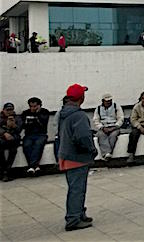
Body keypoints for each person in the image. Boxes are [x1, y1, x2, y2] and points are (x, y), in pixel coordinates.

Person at [58, 84, 96, 231]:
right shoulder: (79, 115)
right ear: (81, 97)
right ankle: (73, 219)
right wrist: (92, 150)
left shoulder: (63, 113)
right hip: (77, 157)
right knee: (77, 189)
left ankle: (80, 213)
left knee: (75, 188)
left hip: (66, 155)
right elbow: (83, 137)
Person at [20, 97, 50, 175]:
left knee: (38, 145)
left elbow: (44, 121)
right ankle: (35, 166)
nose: (32, 108)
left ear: (39, 105)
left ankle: (31, 166)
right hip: (29, 135)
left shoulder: (44, 112)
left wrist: (37, 113)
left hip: (41, 134)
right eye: (31, 106)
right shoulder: (25, 113)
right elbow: (22, 125)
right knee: (26, 145)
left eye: (35, 106)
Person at [92, 93, 124, 160]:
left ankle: (107, 153)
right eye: (106, 101)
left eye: (110, 100)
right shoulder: (98, 109)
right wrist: (102, 127)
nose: (108, 102)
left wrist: (115, 127)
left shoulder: (116, 106)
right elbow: (96, 120)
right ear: (103, 101)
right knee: (100, 135)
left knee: (113, 136)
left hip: (114, 127)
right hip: (103, 127)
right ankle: (107, 154)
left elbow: (120, 118)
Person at [0, 103, 22, 181]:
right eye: (7, 110)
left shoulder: (17, 118)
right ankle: (4, 170)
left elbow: (19, 130)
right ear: (3, 110)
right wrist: (4, 133)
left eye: (11, 110)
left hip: (13, 139)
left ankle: (7, 171)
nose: (9, 112)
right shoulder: (0, 117)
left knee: (13, 150)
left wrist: (14, 125)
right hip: (2, 139)